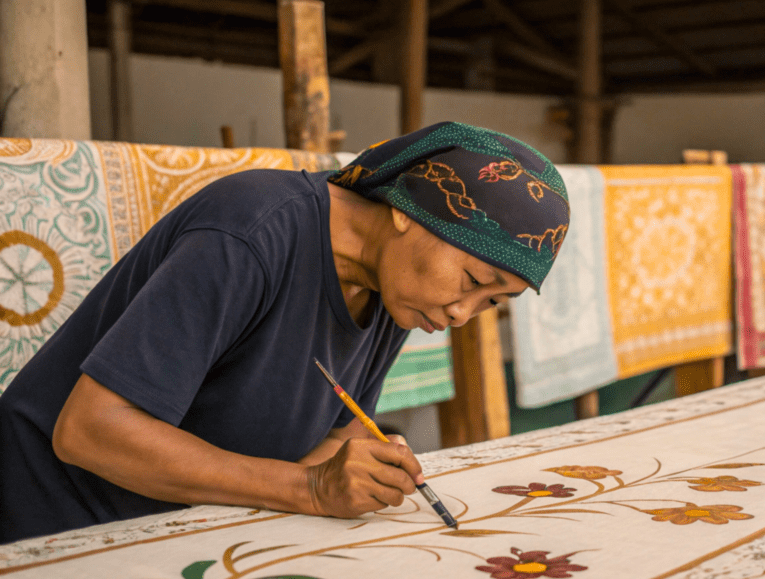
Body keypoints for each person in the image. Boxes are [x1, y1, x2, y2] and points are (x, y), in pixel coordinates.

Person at [0, 121, 570, 543]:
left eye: (493, 302)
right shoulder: (250, 232)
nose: (462, 313)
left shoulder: (400, 287)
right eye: (473, 279)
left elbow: (338, 437)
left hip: (182, 527)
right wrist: (311, 490)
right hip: (53, 529)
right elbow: (88, 431)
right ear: (408, 211)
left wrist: (357, 470)